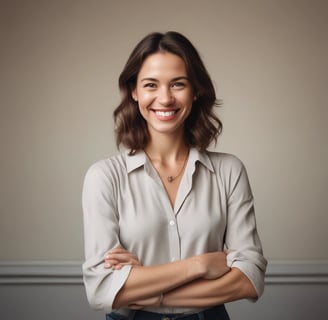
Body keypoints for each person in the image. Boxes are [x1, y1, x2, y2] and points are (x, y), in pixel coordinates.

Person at [82, 31, 267, 320]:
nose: (165, 98)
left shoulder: (229, 171)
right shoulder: (104, 177)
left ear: (195, 91)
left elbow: (249, 277)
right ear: (134, 91)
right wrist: (200, 266)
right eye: (151, 85)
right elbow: (101, 288)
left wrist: (141, 286)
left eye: (178, 84)